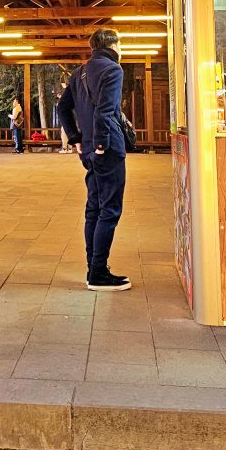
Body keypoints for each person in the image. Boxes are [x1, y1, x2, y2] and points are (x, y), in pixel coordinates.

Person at [56, 27, 132, 292]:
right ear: (112, 44)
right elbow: (105, 110)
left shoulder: (80, 72)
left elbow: (62, 107)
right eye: (121, 43)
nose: (122, 48)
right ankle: (98, 273)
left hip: (88, 150)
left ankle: (94, 269)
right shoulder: (113, 70)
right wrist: (101, 145)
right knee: (109, 210)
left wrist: (77, 139)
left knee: (94, 209)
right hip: (107, 150)